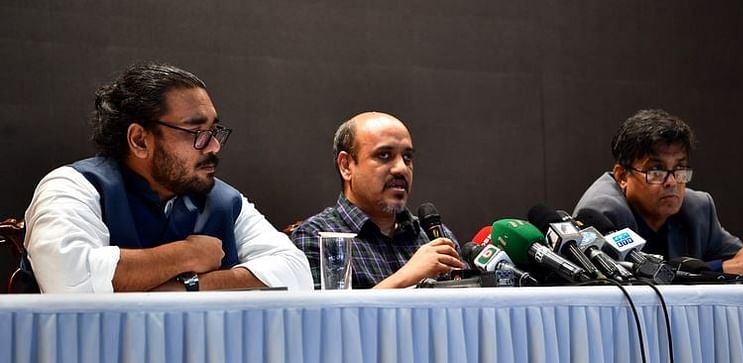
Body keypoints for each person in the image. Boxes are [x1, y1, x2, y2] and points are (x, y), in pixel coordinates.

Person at [22, 63, 313, 293]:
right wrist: (187, 254)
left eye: (214, 131)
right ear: (139, 140)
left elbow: (296, 273)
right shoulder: (72, 186)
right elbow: (70, 281)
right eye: (196, 132)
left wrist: (189, 287)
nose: (214, 146)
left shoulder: (224, 200)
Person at [573, 109, 743, 280]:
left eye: (680, 169)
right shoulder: (600, 212)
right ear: (622, 176)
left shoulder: (697, 208)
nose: (672, 182)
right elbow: (633, 280)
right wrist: (727, 268)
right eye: (656, 170)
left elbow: (742, 258)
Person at [290, 112, 464, 288]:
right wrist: (407, 277)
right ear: (346, 166)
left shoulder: (433, 237)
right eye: (384, 155)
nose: (401, 168)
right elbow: (325, 316)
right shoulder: (316, 238)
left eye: (407, 157)